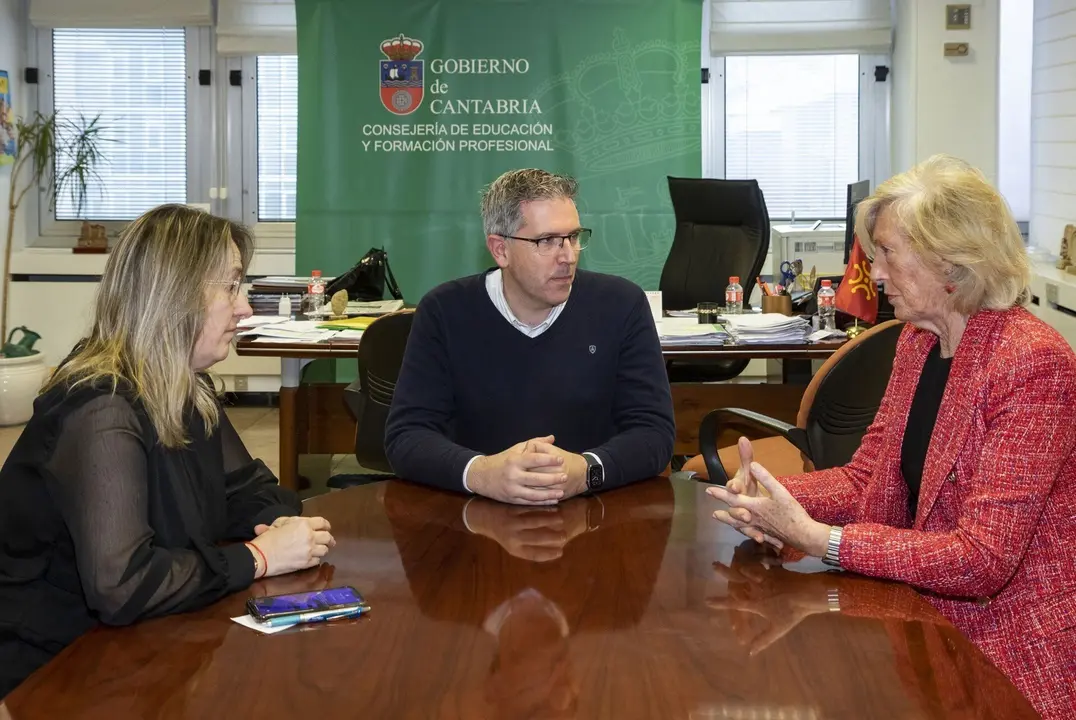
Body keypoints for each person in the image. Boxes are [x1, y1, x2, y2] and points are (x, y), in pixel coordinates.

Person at [702, 155, 1076, 718]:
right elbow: (867, 480)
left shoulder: (1032, 363)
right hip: (916, 628)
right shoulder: (918, 343)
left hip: (1004, 649)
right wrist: (773, 498)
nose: (873, 273)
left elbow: (983, 559)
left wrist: (820, 538)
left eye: (887, 254)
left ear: (950, 259)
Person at [0, 204, 335, 698]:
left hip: (140, 637)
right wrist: (258, 558)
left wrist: (276, 524)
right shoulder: (102, 407)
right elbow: (122, 585)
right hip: (59, 665)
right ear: (176, 297)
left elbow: (254, 490)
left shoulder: (183, 387)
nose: (243, 308)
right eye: (231, 287)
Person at [384, 168, 675, 504]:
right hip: (474, 516)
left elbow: (654, 434)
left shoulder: (621, 305)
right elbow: (406, 437)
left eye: (574, 237)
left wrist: (586, 471)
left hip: (594, 514)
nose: (568, 255)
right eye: (547, 241)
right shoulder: (444, 311)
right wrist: (483, 474)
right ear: (500, 249)